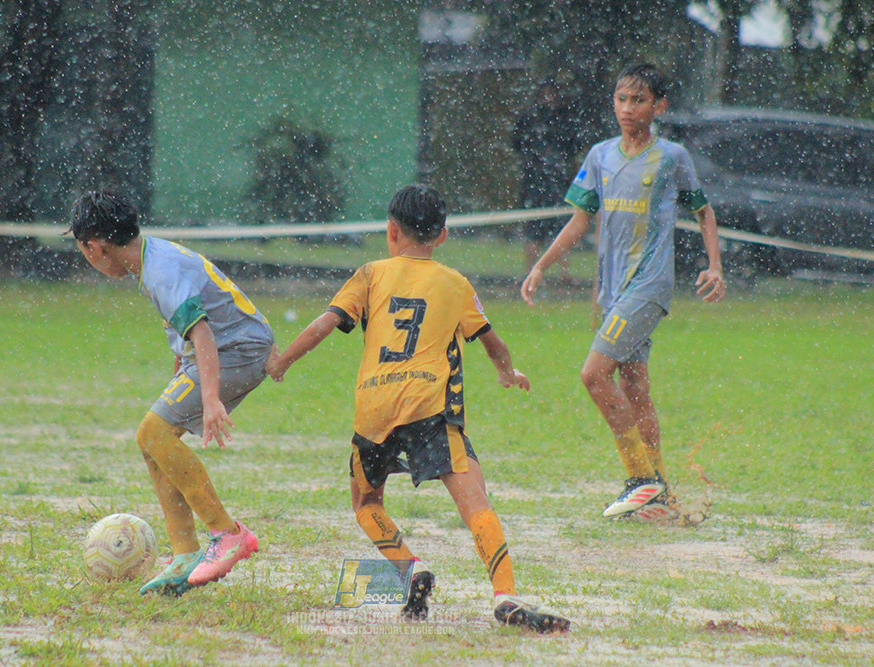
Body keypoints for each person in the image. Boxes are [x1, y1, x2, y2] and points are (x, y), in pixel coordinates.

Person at [267, 184, 571, 633]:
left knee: (366, 502)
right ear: (443, 235)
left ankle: (410, 571)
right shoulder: (456, 284)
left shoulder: (370, 273)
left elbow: (324, 324)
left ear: (391, 230)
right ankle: (505, 595)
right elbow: (492, 342)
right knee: (476, 504)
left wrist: (283, 361)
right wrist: (508, 372)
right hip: (430, 408)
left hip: (374, 411)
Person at [520, 63, 726, 522]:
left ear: (659, 106)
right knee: (634, 387)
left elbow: (704, 212)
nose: (628, 109)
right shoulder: (600, 156)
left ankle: (641, 480)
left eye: (639, 100)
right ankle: (663, 494)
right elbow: (579, 221)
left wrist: (715, 266)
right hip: (612, 291)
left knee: (593, 375)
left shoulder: (672, 156)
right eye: (622, 99)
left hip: (649, 285)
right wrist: (541, 266)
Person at [69, 190, 275, 596]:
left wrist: (211, 398)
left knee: (152, 433)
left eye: (83, 252)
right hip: (228, 349)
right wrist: (179, 383)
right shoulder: (152, 257)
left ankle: (227, 534)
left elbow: (202, 332)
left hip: (235, 352)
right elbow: (188, 334)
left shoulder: (160, 271)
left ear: (95, 247)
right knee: (153, 440)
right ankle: (185, 554)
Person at [511, 77, 577, 282]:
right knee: (535, 228)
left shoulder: (560, 119)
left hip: (553, 180)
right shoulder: (534, 118)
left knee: (560, 227)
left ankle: (563, 274)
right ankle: (531, 271)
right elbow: (517, 143)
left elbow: (572, 145)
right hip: (538, 181)